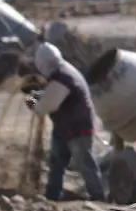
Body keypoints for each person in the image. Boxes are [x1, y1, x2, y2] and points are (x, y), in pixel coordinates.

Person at [27, 42, 105, 201]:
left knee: (85, 165)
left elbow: (48, 105)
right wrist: (40, 94)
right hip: (65, 128)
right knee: (56, 163)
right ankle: (52, 197)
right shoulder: (64, 71)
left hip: (77, 129)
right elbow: (55, 94)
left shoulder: (61, 77)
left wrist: (33, 104)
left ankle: (98, 198)